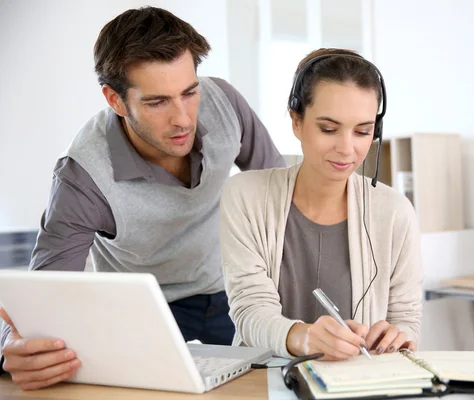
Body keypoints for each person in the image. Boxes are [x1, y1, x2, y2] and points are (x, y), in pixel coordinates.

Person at [0, 6, 284, 390]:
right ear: (115, 100)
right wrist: (8, 346)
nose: (183, 118)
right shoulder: (83, 175)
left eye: (189, 92)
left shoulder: (224, 104)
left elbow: (281, 197)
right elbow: (42, 296)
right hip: (146, 314)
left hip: (232, 292)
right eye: (157, 102)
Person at [220, 48, 423, 361]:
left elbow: (407, 319)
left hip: (358, 385)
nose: (346, 148)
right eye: (328, 129)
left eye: (362, 131)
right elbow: (250, 310)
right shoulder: (245, 196)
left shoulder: (395, 212)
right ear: (297, 121)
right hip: (265, 381)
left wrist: (400, 335)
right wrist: (304, 338)